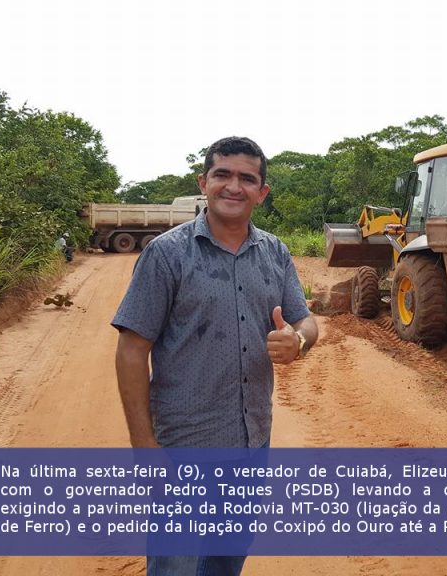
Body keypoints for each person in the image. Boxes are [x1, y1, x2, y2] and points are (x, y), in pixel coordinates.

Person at [112, 136, 318, 575]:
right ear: (204, 182)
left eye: (247, 178)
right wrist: (144, 447)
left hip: (251, 443)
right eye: (223, 174)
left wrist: (297, 341)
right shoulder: (166, 254)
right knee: (177, 566)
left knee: (226, 563)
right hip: (183, 448)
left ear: (261, 193)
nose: (233, 186)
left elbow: (306, 321)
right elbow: (131, 351)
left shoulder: (276, 253)